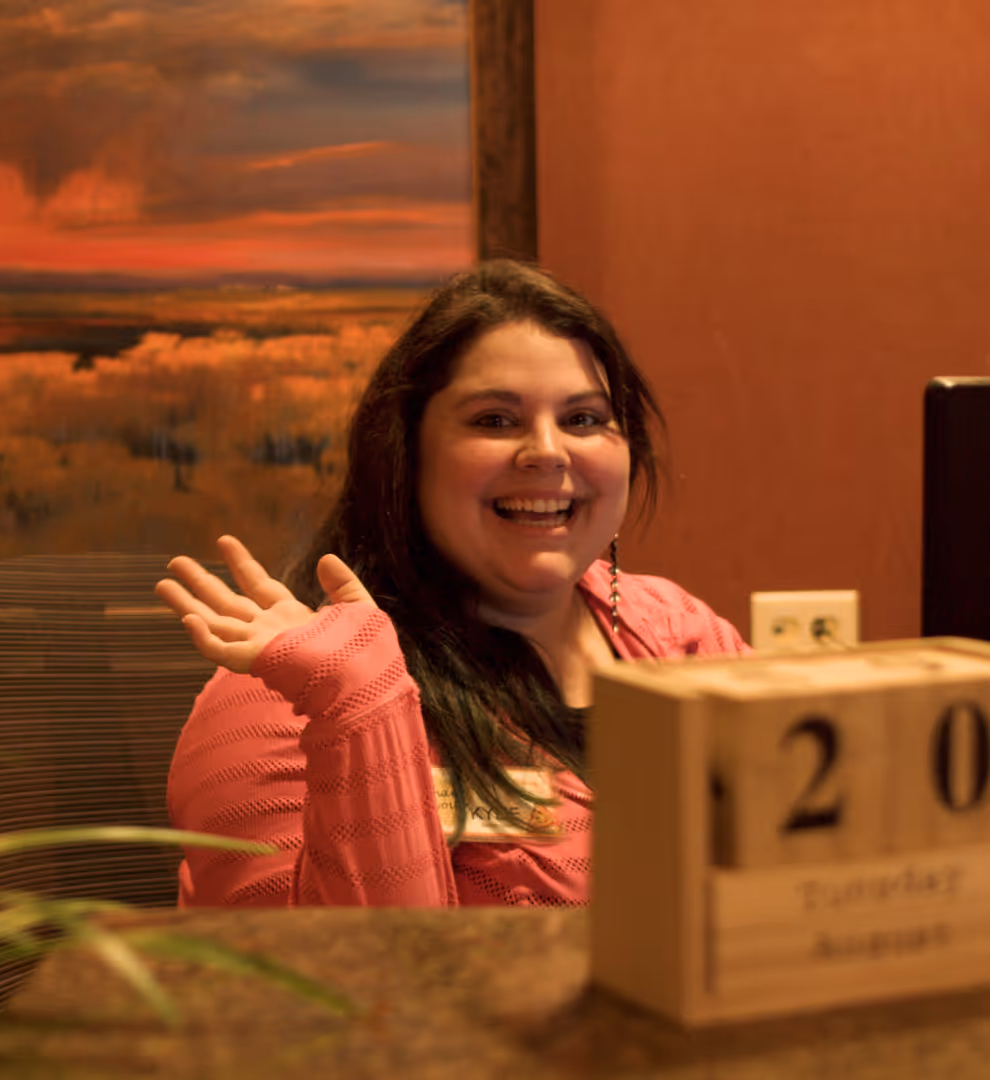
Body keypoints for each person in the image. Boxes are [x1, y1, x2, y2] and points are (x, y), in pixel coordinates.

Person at [155, 259, 750, 907]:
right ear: (404, 456)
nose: (547, 451)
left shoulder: (680, 632)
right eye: (495, 420)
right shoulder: (277, 696)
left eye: (583, 420)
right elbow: (331, 990)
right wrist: (361, 706)